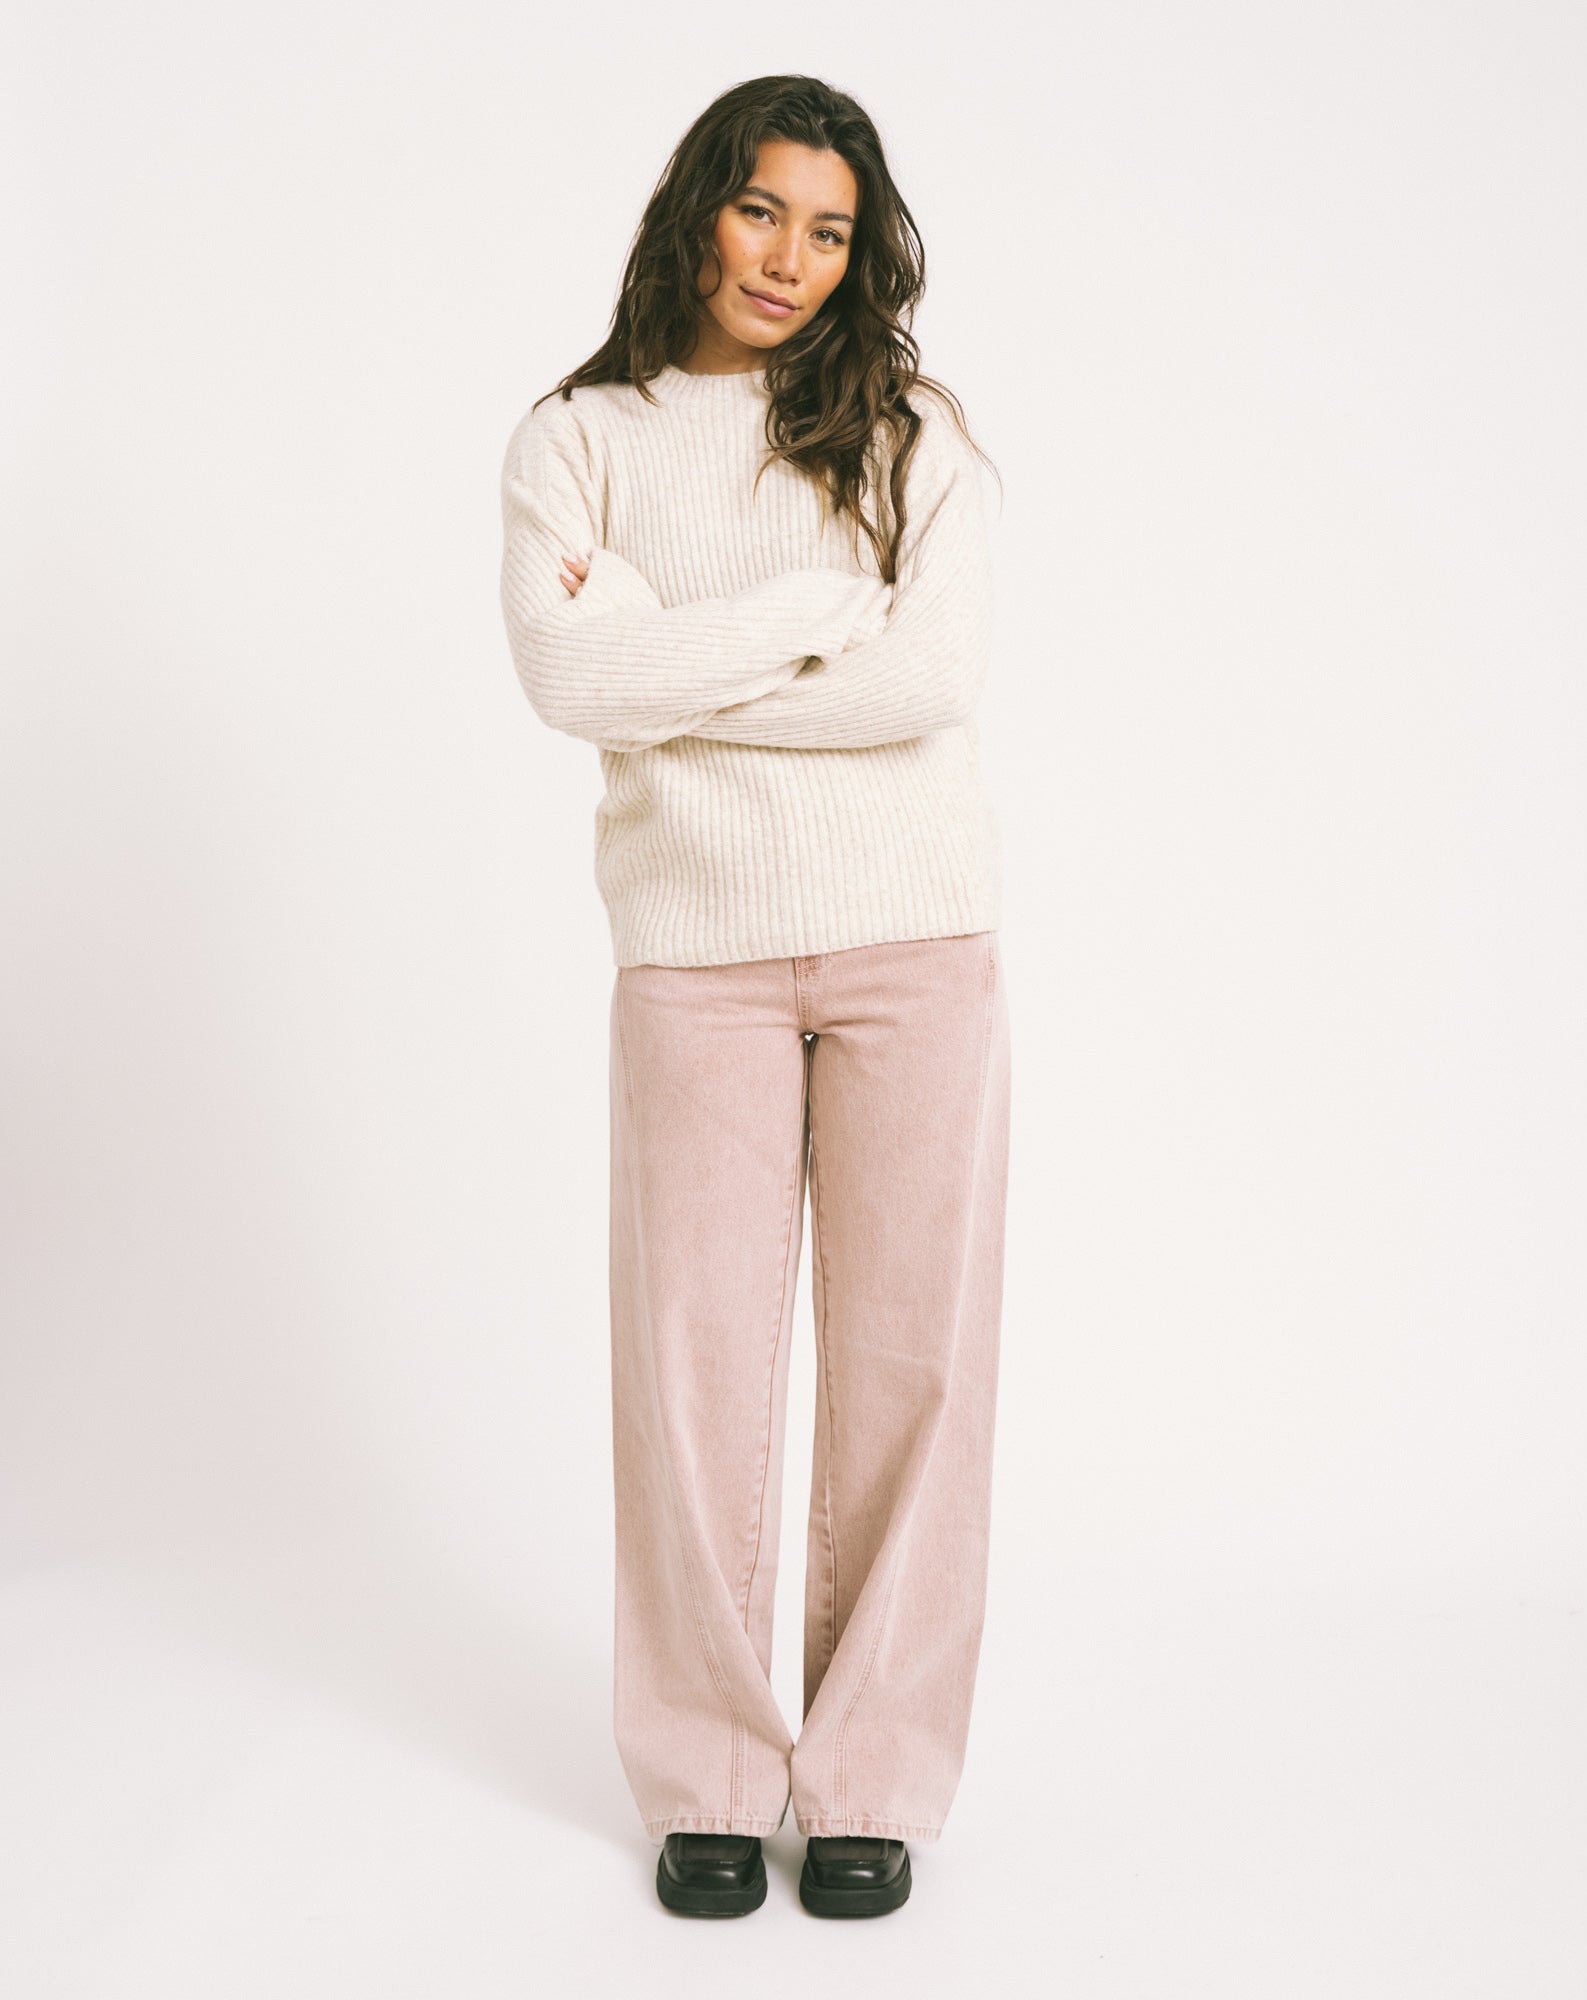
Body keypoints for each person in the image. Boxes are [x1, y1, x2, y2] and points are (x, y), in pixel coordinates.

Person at [497, 73, 1010, 1920]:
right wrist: (815, 611)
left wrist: (670, 650)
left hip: (913, 940)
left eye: (832, 230)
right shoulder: (578, 440)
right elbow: (569, 677)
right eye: (762, 210)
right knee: (692, 1368)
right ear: (700, 207)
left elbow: (929, 678)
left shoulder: (913, 434)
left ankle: (872, 1773)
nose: (791, 258)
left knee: (914, 1368)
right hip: (692, 955)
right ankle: (709, 1771)